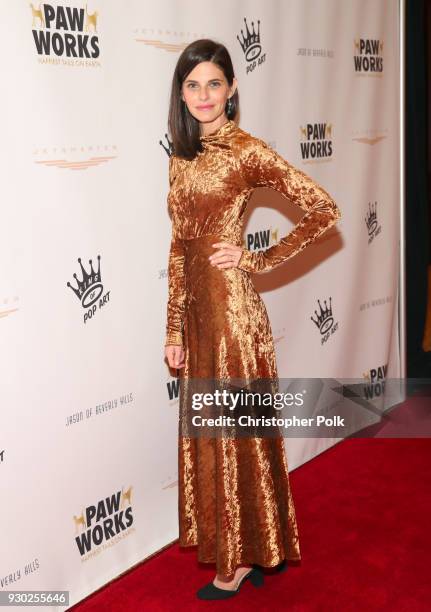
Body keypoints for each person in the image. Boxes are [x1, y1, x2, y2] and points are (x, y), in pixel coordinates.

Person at [163, 39, 342, 600]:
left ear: (232, 89)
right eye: (193, 85)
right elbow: (178, 245)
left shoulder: (246, 151)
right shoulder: (181, 156)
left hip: (235, 315)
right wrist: (173, 328)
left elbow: (324, 208)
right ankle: (253, 545)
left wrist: (257, 259)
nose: (203, 95)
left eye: (214, 83)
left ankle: (237, 562)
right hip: (198, 316)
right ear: (182, 93)